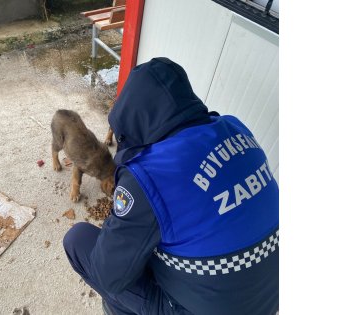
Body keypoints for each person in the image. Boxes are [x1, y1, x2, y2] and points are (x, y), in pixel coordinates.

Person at [63, 57, 279, 315]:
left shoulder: (149, 172)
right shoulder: (236, 127)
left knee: (78, 241)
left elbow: (109, 274)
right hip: (272, 295)